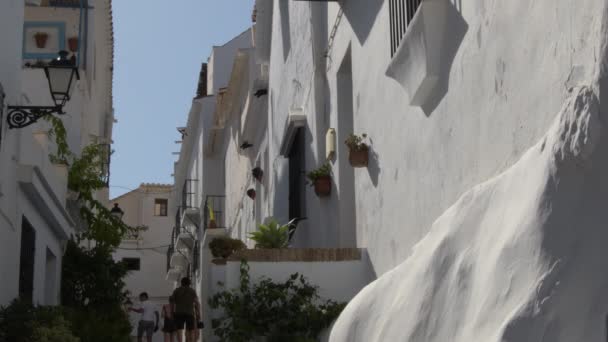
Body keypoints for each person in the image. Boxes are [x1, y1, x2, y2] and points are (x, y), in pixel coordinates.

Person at [171, 277, 200, 342]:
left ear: (181, 283)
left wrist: (172, 312)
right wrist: (198, 313)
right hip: (190, 313)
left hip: (179, 313)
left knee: (179, 329)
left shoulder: (176, 291)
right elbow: (197, 302)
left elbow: (172, 303)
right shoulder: (192, 291)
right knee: (190, 330)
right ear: (189, 283)